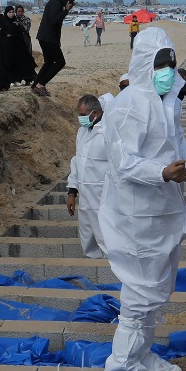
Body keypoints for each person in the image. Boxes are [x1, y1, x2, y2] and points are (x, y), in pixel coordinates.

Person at [99, 29, 186, 371]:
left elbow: (178, 146)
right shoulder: (129, 104)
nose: (167, 71)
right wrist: (161, 173)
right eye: (160, 64)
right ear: (145, 64)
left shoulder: (168, 100)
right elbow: (124, 162)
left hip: (164, 210)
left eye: (171, 64)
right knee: (140, 291)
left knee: (158, 289)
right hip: (136, 214)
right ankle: (121, 365)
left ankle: (141, 354)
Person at [66, 93, 113, 259]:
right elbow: (77, 161)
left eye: (83, 115)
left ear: (95, 113)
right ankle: (93, 262)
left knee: (106, 232)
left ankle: (112, 265)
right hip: (85, 193)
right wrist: (72, 192)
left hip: (103, 193)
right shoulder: (82, 132)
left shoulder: (108, 132)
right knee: (87, 234)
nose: (80, 118)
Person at [33, 0, 78, 96]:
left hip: (46, 37)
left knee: (48, 62)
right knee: (60, 62)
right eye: (71, 0)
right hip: (48, 37)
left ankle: (35, 86)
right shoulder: (56, 3)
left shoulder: (56, 2)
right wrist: (66, 10)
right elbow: (55, 21)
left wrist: (57, 40)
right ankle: (41, 84)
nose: (71, 3)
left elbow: (55, 25)